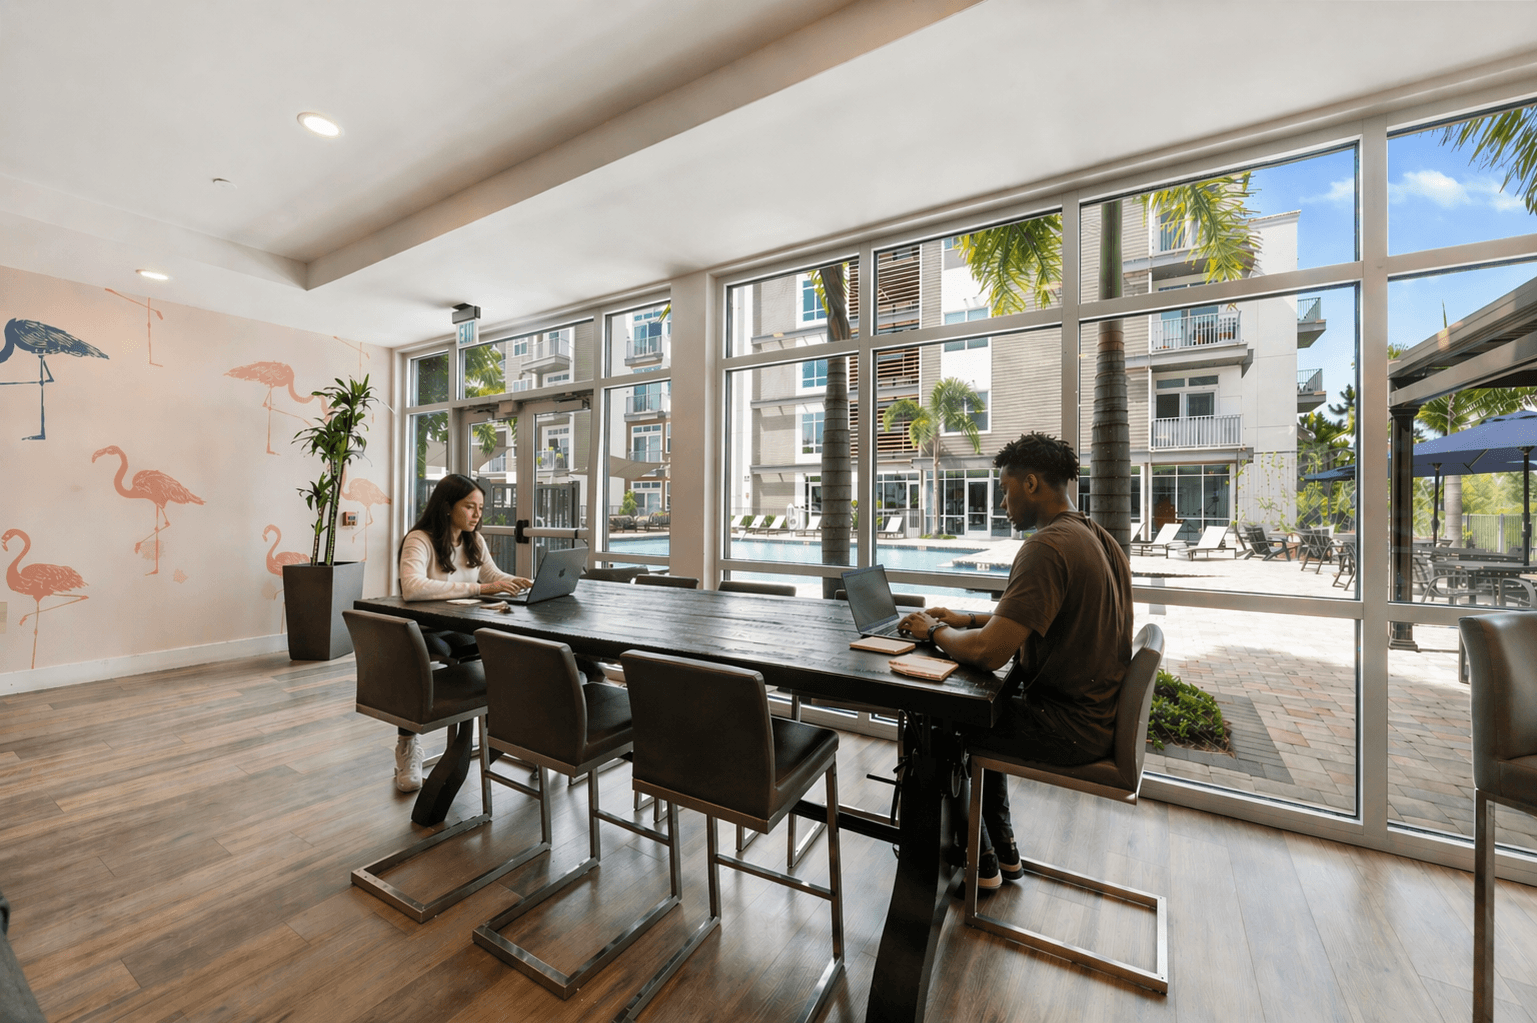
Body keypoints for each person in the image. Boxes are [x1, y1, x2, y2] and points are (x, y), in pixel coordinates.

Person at [896, 432, 1133, 892]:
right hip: (1094, 719)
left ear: (1030, 484)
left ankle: (972, 860)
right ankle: (1000, 850)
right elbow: (1036, 616)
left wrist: (934, 632)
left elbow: (989, 653)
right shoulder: (1096, 536)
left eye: (1004, 490)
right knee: (982, 714)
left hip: (1067, 728)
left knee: (935, 724)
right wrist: (966, 618)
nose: (1001, 502)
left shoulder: (1047, 547)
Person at [394, 474, 531, 791]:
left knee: (510, 650)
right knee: (411, 665)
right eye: (470, 507)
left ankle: (506, 735)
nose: (476, 514)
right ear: (447, 506)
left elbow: (492, 575)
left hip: (464, 627)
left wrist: (521, 583)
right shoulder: (420, 539)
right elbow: (412, 587)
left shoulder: (474, 540)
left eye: (480, 508)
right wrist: (480, 588)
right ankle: (407, 745)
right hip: (426, 629)